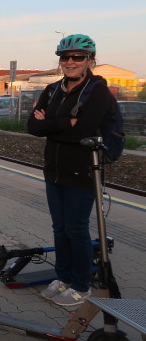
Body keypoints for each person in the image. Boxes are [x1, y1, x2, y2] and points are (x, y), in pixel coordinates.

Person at [27, 34, 116, 307]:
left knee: (76, 230)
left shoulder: (98, 91)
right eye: (65, 57)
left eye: (78, 57)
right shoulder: (53, 89)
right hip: (53, 171)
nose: (70, 62)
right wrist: (67, 122)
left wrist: (51, 123)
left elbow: (85, 130)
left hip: (82, 172)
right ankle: (62, 278)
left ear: (90, 60)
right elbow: (32, 127)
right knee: (60, 228)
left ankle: (81, 284)